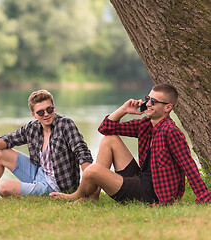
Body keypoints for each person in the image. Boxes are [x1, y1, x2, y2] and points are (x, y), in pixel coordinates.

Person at [50, 84, 211, 205]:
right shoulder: (146, 124)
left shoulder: (171, 132)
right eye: (148, 99)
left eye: (154, 102)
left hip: (153, 193)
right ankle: (93, 196)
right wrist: (124, 110)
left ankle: (76, 195)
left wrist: (204, 196)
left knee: (91, 170)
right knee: (109, 139)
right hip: (142, 179)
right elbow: (105, 128)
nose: (148, 104)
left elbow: (188, 165)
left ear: (168, 107)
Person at [0, 89, 93, 197]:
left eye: (49, 109)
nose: (46, 114)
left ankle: (38, 191)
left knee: (4, 188)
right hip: (38, 172)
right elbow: (9, 139)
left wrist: (88, 189)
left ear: (54, 108)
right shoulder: (33, 127)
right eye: (40, 112)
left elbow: (82, 152)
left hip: (56, 185)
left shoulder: (65, 125)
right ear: (34, 115)